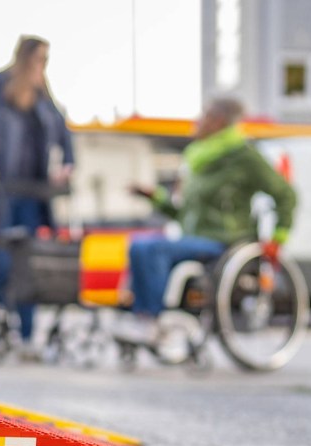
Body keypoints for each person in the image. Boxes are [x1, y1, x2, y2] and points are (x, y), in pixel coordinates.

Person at [120, 97, 296, 344]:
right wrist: (155, 197)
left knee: (149, 249)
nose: (197, 121)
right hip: (194, 238)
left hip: (223, 240)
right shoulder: (198, 159)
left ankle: (151, 319)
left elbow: (285, 194)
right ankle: (142, 315)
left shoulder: (244, 157)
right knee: (138, 245)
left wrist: (278, 238)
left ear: (218, 122)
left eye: (203, 116)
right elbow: (182, 214)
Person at [0, 35, 75, 357]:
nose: (41, 67)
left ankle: (27, 334)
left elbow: (61, 130)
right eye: (38, 59)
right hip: (2, 190)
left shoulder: (43, 92)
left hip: (33, 191)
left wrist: (67, 164)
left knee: (29, 262)